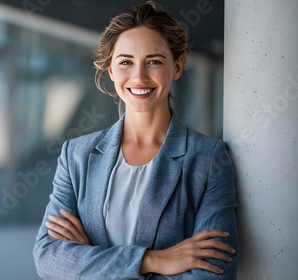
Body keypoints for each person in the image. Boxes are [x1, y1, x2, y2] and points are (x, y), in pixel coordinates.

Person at [33, 1, 238, 279]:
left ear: (177, 67)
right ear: (111, 71)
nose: (139, 76)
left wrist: (92, 260)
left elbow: (214, 274)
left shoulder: (209, 158)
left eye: (154, 61)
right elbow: (48, 258)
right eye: (126, 62)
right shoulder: (77, 155)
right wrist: (152, 260)